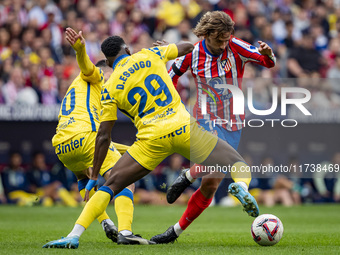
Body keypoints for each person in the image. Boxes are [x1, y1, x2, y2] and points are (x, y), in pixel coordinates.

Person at [42, 33, 258, 248]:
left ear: (108, 62)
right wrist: (169, 48)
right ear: (127, 50)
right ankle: (241, 186)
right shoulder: (150, 54)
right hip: (182, 127)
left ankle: (74, 235)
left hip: (151, 138)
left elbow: (104, 135)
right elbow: (186, 48)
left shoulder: (109, 87)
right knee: (236, 162)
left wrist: (94, 174)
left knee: (110, 186)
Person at [151, 11, 275, 243]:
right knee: (223, 158)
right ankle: (229, 184)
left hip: (234, 119)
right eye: (219, 40)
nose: (224, 44)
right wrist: (171, 103)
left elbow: (267, 62)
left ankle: (175, 230)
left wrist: (269, 55)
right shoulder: (192, 52)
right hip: (205, 117)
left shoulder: (236, 46)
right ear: (207, 35)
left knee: (210, 184)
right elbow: (171, 76)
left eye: (227, 39)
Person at [43, 28, 151, 248]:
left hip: (63, 146)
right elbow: (86, 66)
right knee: (124, 180)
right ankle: (125, 231)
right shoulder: (99, 76)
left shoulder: (79, 88)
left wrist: (128, 148)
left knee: (86, 181)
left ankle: (106, 222)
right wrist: (81, 48)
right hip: (86, 136)